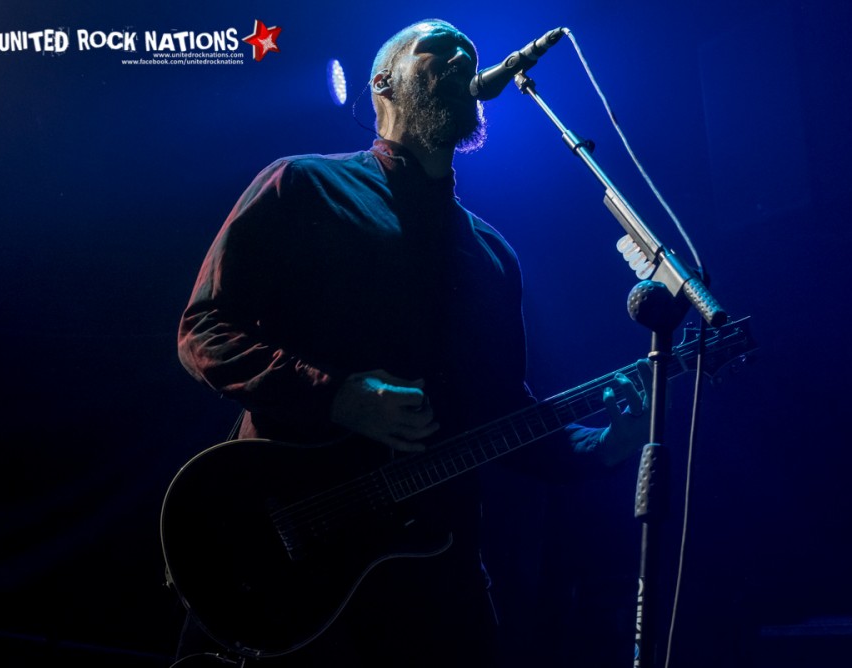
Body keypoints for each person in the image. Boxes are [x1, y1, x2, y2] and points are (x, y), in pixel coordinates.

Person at [173, 18, 649, 668]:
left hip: (436, 570)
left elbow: (502, 413)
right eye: (438, 48)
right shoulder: (302, 186)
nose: (461, 58)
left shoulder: (492, 256)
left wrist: (603, 445)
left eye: (469, 53)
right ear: (383, 82)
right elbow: (204, 329)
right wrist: (336, 397)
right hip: (291, 546)